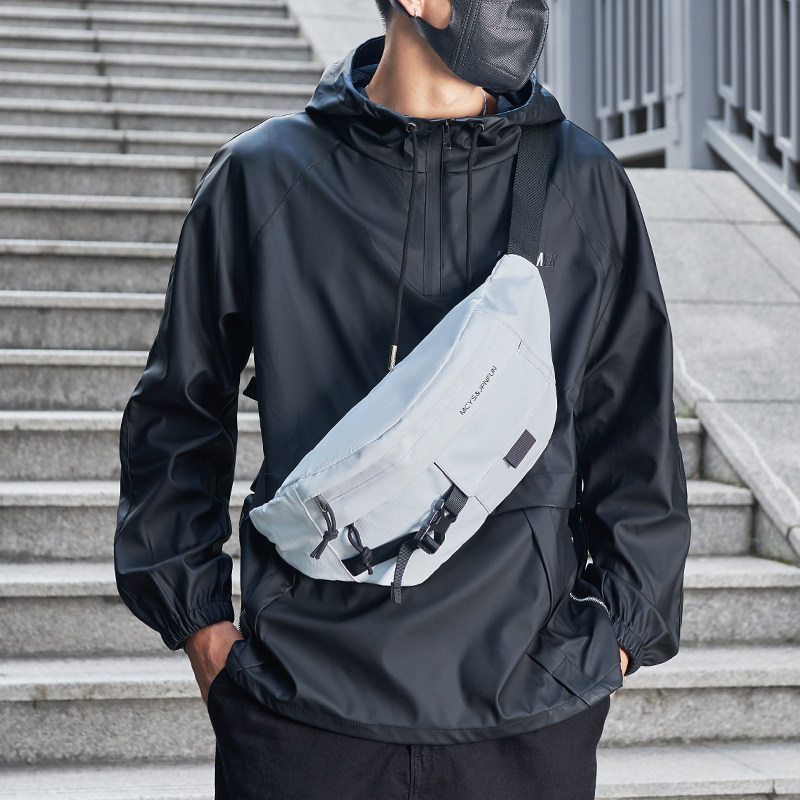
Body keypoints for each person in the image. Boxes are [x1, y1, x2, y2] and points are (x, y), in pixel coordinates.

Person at [114, 0, 692, 797]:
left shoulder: (583, 183)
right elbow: (177, 417)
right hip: (302, 715)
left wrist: (609, 644)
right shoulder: (263, 177)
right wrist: (206, 635)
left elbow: (638, 436)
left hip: (528, 718)